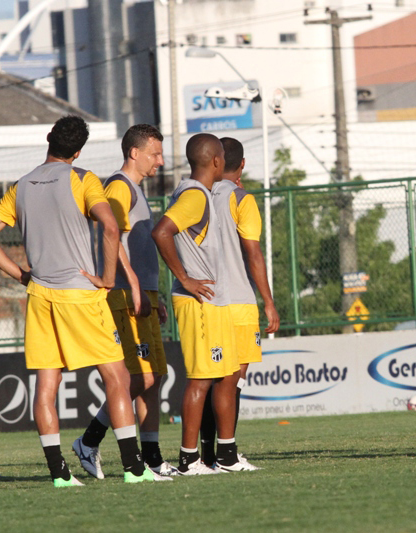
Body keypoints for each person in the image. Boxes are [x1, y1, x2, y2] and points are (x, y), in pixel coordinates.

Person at [0, 115, 155, 486]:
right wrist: (106, 277)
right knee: (118, 377)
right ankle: (134, 469)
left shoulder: (21, 186)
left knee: (46, 386)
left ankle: (59, 473)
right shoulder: (82, 178)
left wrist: (20, 274)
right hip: (80, 294)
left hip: (40, 295)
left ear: (48, 139)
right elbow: (108, 223)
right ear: (78, 151)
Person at [72, 124, 176, 478]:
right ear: (135, 153)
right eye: (155, 154)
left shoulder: (134, 189)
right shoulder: (118, 186)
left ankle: (153, 458)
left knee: (155, 375)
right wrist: (132, 284)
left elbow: (139, 247)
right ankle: (89, 440)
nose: (160, 161)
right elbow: (111, 237)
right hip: (123, 294)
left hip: (142, 292)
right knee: (140, 377)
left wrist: (153, 292)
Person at [151, 133, 245, 474]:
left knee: (225, 375)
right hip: (198, 301)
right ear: (217, 161)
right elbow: (161, 231)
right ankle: (189, 459)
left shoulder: (198, 192)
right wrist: (186, 278)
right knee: (202, 380)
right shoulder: (194, 196)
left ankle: (225, 456)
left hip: (211, 299)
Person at [199, 137, 280, 469]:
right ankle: (228, 453)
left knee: (210, 379)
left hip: (205, 298)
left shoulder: (197, 195)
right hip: (238, 300)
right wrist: (269, 302)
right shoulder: (242, 199)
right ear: (241, 165)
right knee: (234, 381)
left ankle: (205, 454)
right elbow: (253, 253)